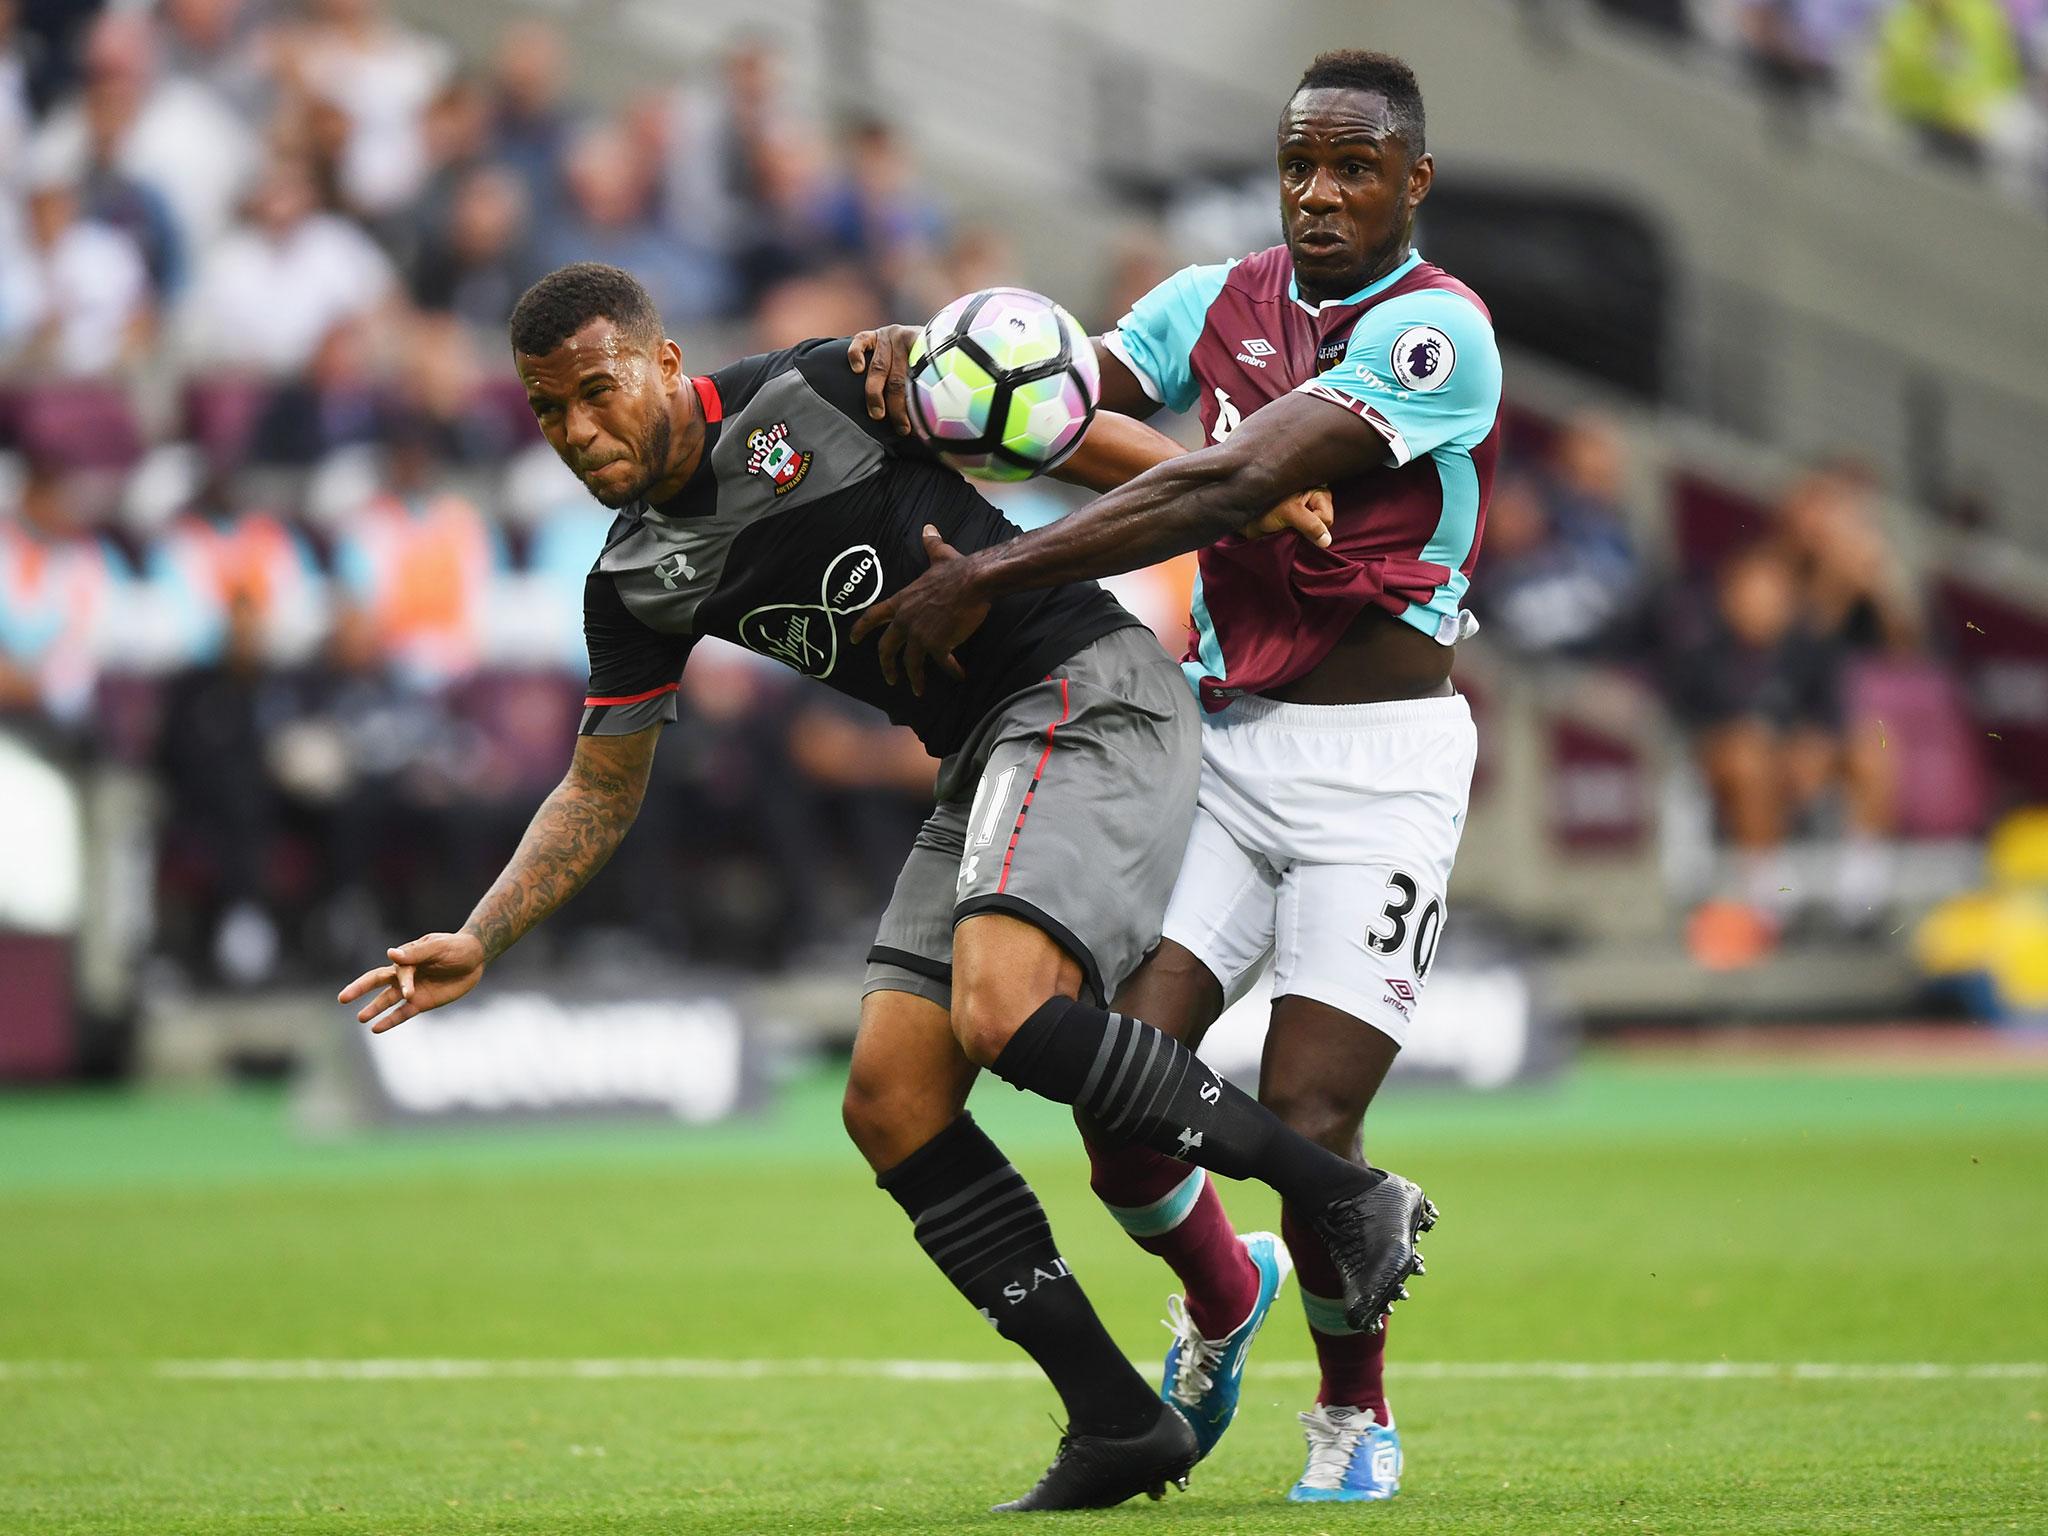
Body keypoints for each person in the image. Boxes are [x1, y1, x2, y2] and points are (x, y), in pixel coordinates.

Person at [337, 261, 1432, 1511]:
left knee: (1002, 1006)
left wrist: (1235, 498)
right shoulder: (633, 580)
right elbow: (600, 787)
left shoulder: (819, 385)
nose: (579, 432)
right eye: (548, 413)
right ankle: (1117, 1421)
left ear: (659, 358)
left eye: (596, 392)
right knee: (889, 1099)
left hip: (1082, 687)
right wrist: (484, 933)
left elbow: (1039, 418)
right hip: (981, 757)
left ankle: (1340, 1197)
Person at [849, 49, 1494, 1503]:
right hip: (1225, 744)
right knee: (1125, 1096)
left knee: (1314, 1117)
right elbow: (1065, 404)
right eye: (1299, 166)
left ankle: (1353, 1413)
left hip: (1385, 774)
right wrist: (915, 363)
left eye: (1353, 168)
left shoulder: (1444, 335)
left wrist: (990, 574)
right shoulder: (1213, 299)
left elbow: (1217, 484)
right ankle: (1220, 1300)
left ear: (1414, 182)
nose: (1320, 194)